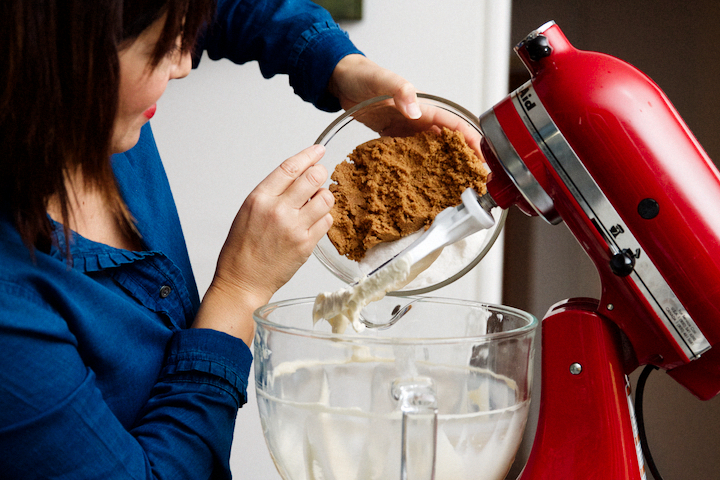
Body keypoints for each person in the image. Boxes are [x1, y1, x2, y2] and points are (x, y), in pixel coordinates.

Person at [0, 0, 422, 478]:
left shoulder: (86, 116)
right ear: (61, 51)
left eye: (185, 29)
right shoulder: (11, 310)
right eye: (159, 47)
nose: (184, 63)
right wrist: (240, 292)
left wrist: (340, 66)